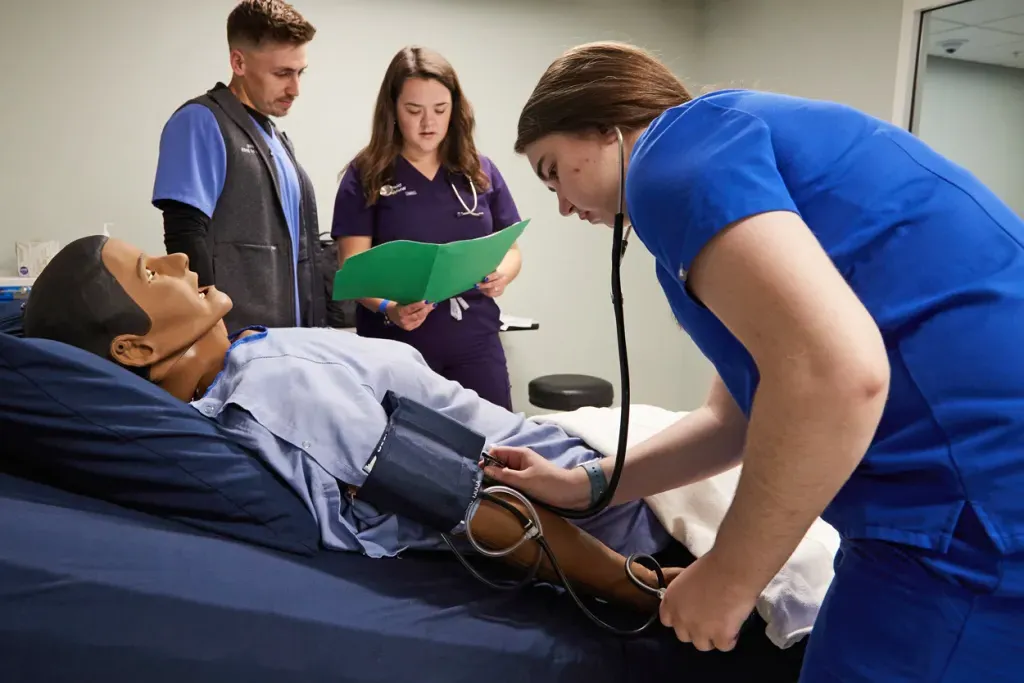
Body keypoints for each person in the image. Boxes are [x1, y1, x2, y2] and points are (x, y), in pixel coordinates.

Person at [482, 41, 1024, 681]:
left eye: (553, 171)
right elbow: (736, 417)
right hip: (969, 494)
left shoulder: (669, 163)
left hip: (969, 508)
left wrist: (730, 577)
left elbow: (836, 377)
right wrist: (587, 484)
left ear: (605, 125)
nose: (563, 206)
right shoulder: (722, 142)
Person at [21, 234, 680, 612]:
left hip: (597, 454)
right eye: (149, 271)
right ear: (132, 349)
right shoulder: (274, 394)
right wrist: (644, 586)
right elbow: (475, 504)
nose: (178, 262)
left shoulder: (253, 355)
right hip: (623, 507)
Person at [331, 46, 523, 411]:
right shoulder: (366, 175)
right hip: (396, 349)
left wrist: (502, 274)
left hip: (476, 343)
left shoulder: (479, 172)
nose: (428, 123)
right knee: (409, 459)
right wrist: (389, 308)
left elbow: (510, 248)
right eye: (413, 111)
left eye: (440, 110)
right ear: (392, 110)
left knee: (496, 452)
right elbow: (352, 269)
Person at [152, 0, 325, 332]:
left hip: (291, 342)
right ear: (238, 61)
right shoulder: (200, 121)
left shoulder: (277, 140)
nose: (296, 88)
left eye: (300, 72)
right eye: (282, 73)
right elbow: (184, 236)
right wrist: (208, 334)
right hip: (237, 344)